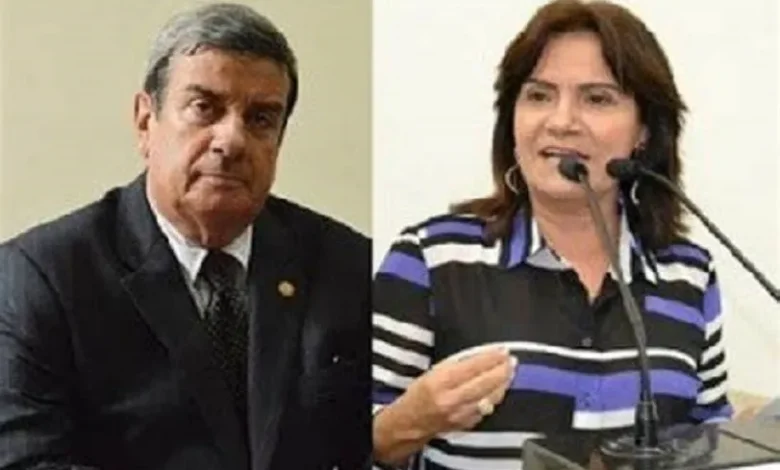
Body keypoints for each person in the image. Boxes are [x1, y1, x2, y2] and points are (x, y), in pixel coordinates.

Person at [0, 3, 370, 469]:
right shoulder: (43, 278)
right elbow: (28, 461)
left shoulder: (347, 266)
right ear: (145, 122)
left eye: (260, 118)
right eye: (204, 108)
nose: (231, 140)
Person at [371, 0, 731, 468]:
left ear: (643, 131)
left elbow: (716, 446)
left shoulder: (689, 275)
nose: (561, 121)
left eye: (597, 98)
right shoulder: (430, 259)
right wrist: (407, 422)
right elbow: (335, 446)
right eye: (539, 95)